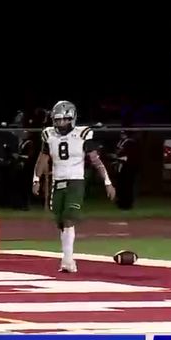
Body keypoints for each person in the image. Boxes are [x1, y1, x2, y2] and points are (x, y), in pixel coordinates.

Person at [32, 100, 115, 273]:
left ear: (72, 118)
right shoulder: (48, 135)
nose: (61, 123)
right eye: (58, 120)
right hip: (58, 181)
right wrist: (36, 179)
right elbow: (43, 158)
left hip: (76, 180)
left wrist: (107, 181)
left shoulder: (82, 134)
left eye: (64, 119)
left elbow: (95, 160)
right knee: (61, 221)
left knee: (69, 216)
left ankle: (68, 260)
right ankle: (67, 257)